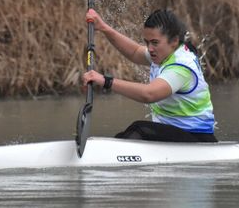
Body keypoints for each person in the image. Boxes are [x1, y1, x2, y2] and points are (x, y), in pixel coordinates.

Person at [82, 8, 217, 143]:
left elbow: (149, 94)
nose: (150, 48)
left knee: (139, 129)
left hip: (197, 138)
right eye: (147, 42)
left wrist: (105, 81)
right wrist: (104, 28)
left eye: (154, 42)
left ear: (174, 40)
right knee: (134, 131)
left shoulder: (181, 67)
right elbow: (135, 52)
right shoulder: (165, 52)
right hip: (175, 133)